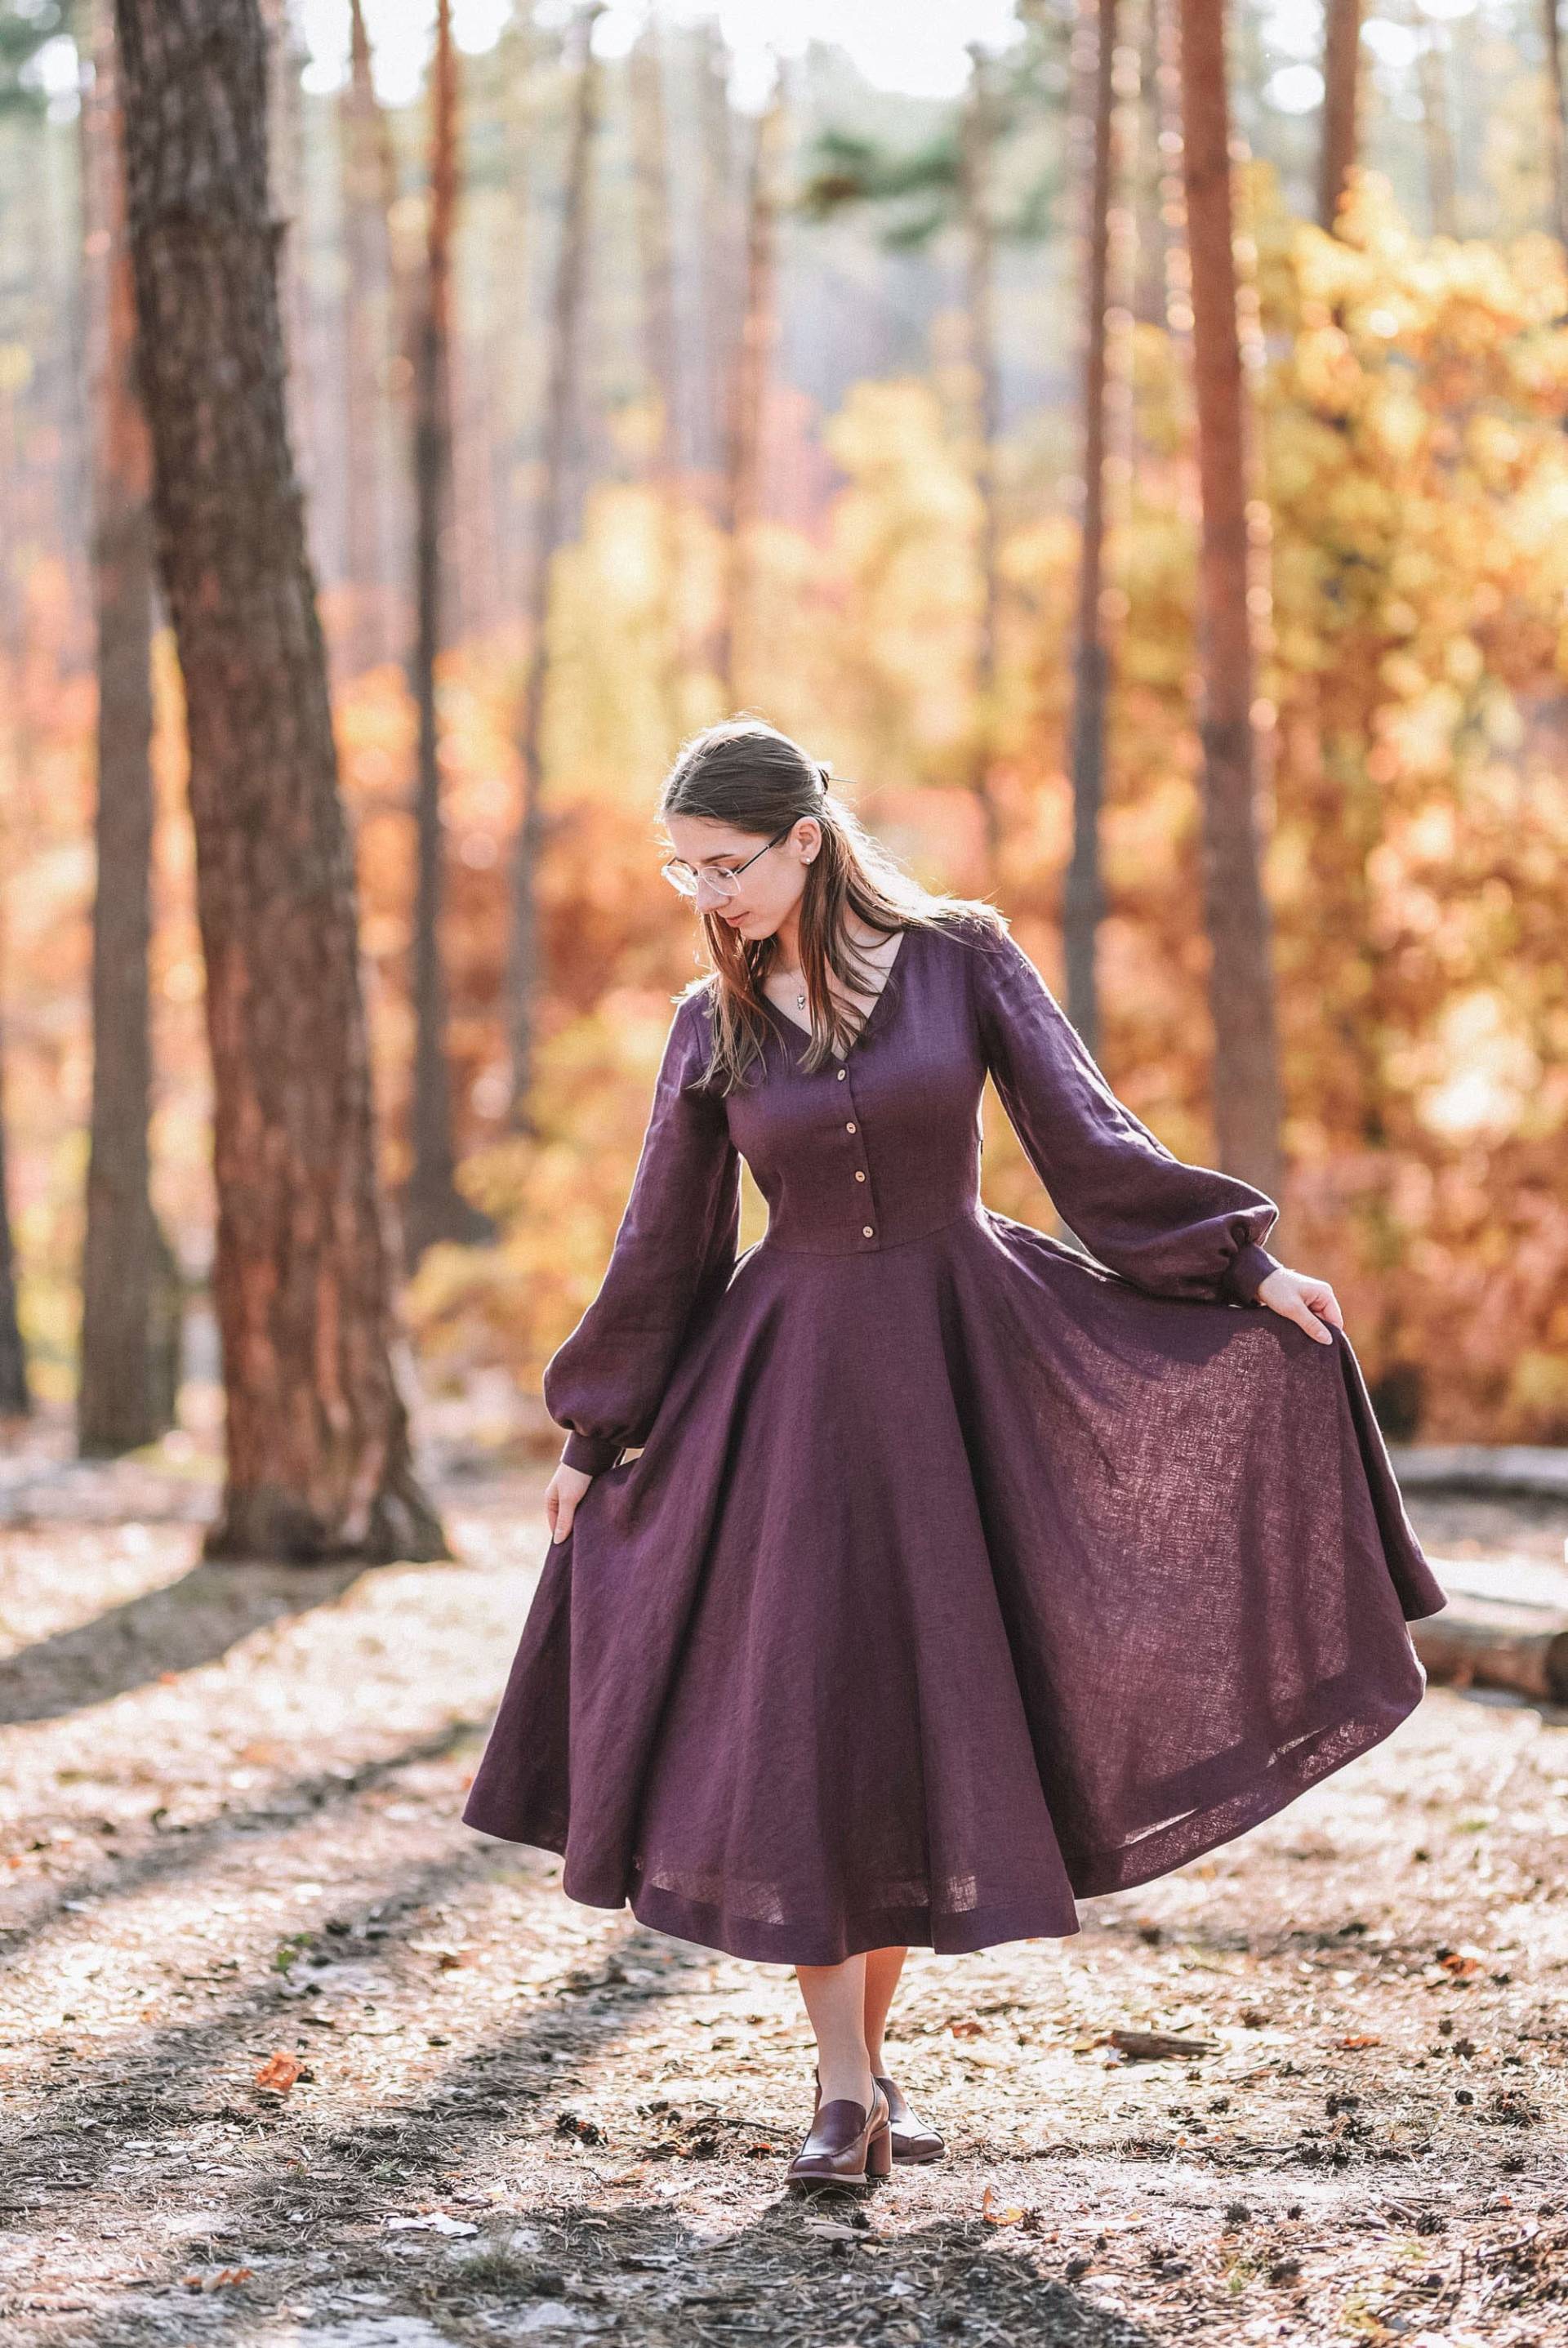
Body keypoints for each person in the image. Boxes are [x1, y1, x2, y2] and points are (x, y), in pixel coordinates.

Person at [463, 717, 1446, 2195]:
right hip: (786, 1396)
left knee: (921, 1717)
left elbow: (1087, 1139)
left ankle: (864, 2074)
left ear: (805, 838)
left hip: (962, 1369)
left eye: (724, 864)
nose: (708, 895)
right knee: (814, 1717)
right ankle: (845, 2092)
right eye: (684, 874)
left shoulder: (961, 959)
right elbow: (665, 1239)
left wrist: (1244, 1275)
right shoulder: (712, 1023)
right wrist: (599, 1433)